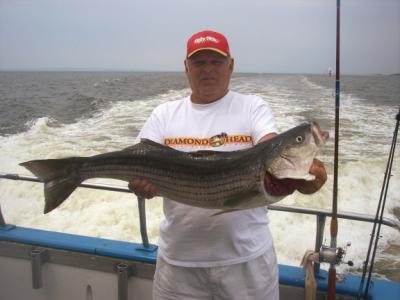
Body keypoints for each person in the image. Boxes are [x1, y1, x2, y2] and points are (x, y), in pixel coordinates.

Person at [129, 30, 327, 300]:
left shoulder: (252, 108)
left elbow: (270, 145)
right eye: (199, 62)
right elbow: (137, 161)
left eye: (216, 62)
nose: (208, 69)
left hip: (247, 265)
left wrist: (304, 175)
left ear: (231, 66)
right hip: (178, 265)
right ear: (186, 67)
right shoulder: (163, 115)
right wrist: (140, 183)